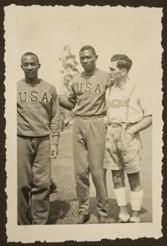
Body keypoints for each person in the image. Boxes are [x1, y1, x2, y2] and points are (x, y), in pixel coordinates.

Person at [59, 45, 113, 224]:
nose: (84, 61)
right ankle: (83, 209)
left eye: (88, 57)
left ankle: (103, 210)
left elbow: (116, 96)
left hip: (98, 122)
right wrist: (57, 97)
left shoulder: (106, 77)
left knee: (97, 171)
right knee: (80, 171)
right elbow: (71, 104)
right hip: (79, 123)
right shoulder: (75, 79)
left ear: (96, 57)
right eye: (82, 58)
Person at [104, 54, 152, 223]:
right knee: (116, 176)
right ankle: (123, 212)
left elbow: (150, 116)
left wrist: (132, 131)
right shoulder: (109, 90)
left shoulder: (137, 88)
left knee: (133, 177)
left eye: (112, 69)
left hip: (129, 136)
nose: (109, 72)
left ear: (123, 71)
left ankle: (136, 214)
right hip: (111, 135)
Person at [17, 52, 61, 224]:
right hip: (21, 139)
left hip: (43, 140)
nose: (29, 67)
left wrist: (55, 142)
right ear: (21, 66)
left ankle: (39, 224)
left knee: (42, 185)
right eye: (26, 64)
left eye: (32, 64)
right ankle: (21, 223)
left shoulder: (49, 88)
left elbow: (56, 116)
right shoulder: (14, 87)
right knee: (21, 184)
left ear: (39, 65)